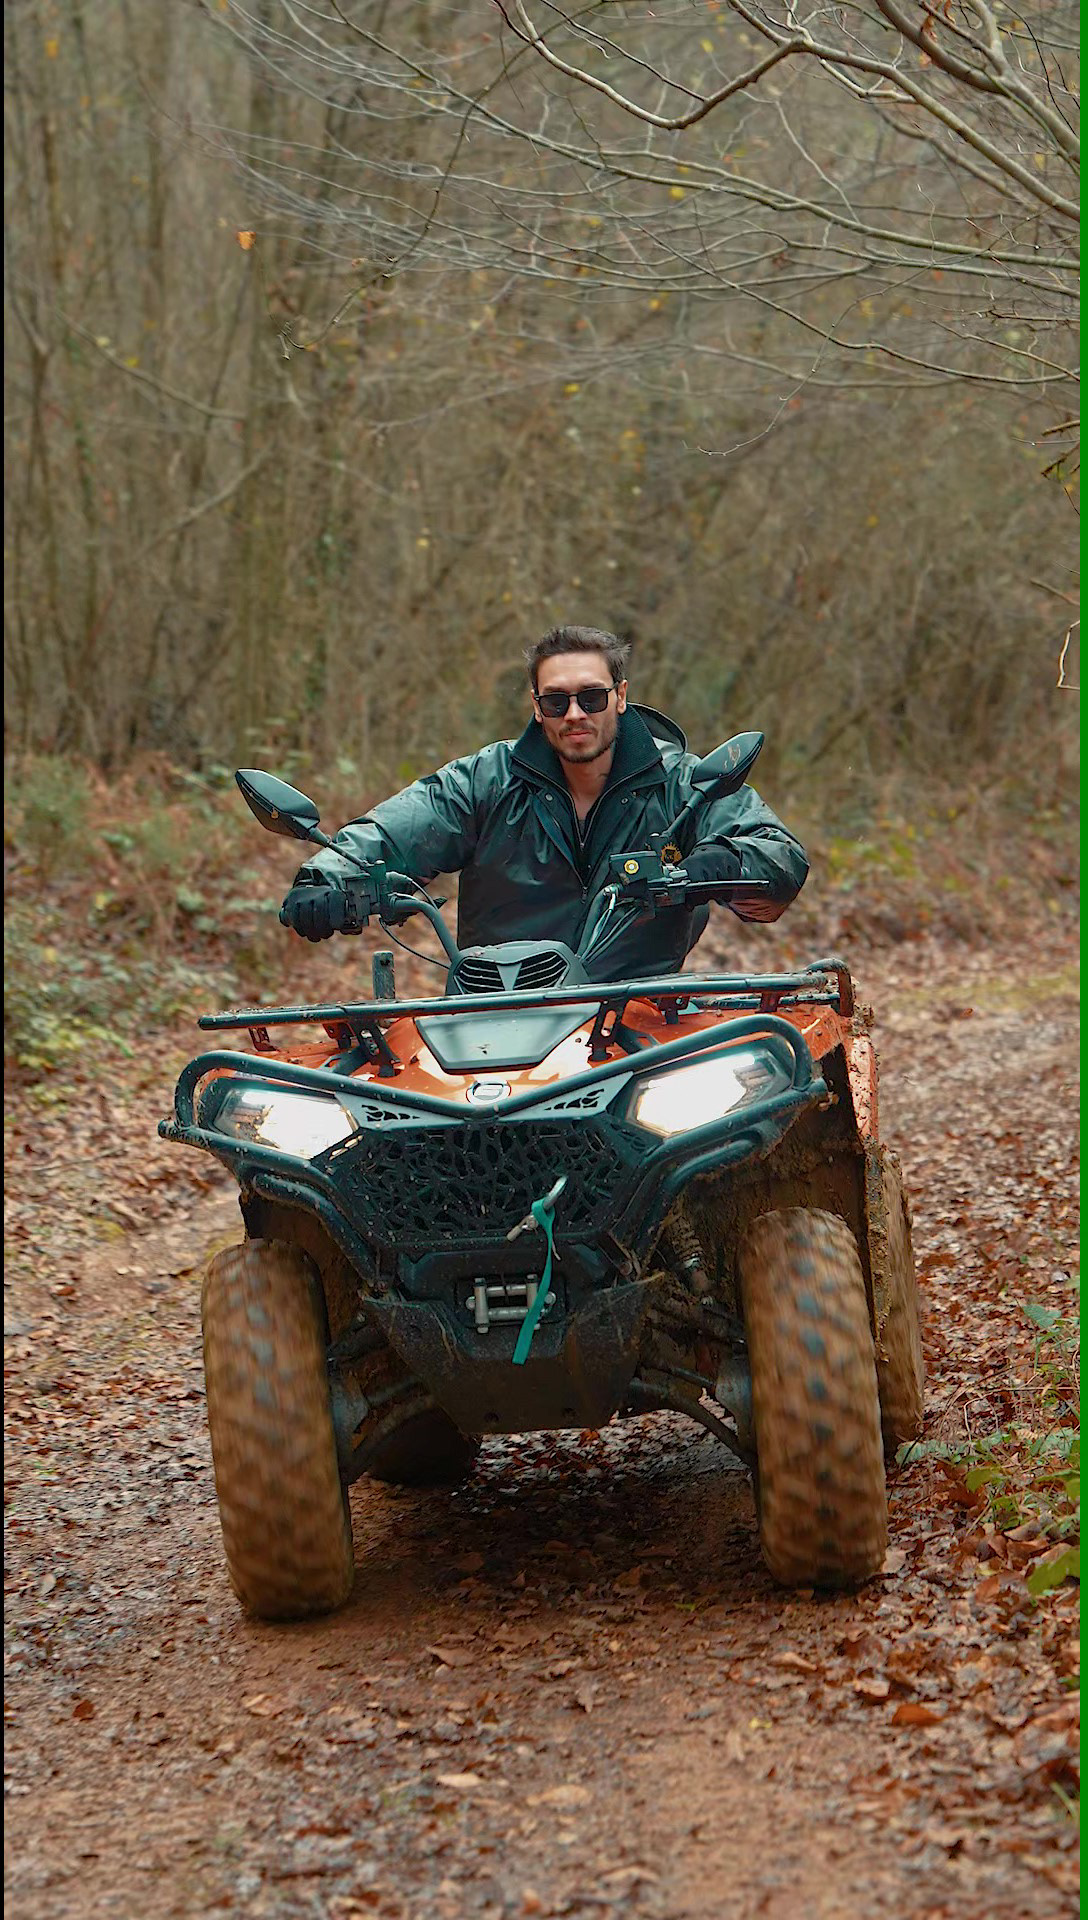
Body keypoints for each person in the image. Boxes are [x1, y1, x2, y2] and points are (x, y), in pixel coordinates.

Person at [280, 627, 808, 980]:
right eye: (557, 701)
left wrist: (715, 865)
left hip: (635, 1017)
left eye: (592, 697)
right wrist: (325, 879)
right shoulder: (486, 780)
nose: (575, 713)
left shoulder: (684, 784)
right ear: (537, 707)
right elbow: (397, 830)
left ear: (621, 696)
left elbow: (776, 853)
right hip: (494, 1012)